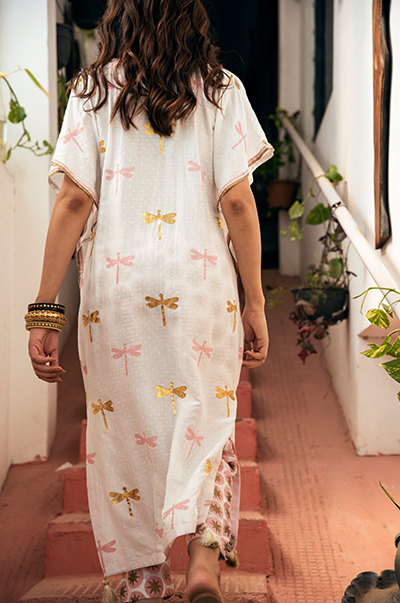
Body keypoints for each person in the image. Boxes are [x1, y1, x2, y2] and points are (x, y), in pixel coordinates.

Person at [27, 1, 272, 601]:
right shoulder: (221, 90)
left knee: (123, 434)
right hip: (201, 289)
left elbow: (73, 201)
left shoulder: (91, 91)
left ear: (120, 16)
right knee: (207, 424)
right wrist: (256, 302)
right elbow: (238, 203)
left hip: (116, 296)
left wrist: (45, 309)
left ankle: (143, 582)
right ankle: (204, 561)